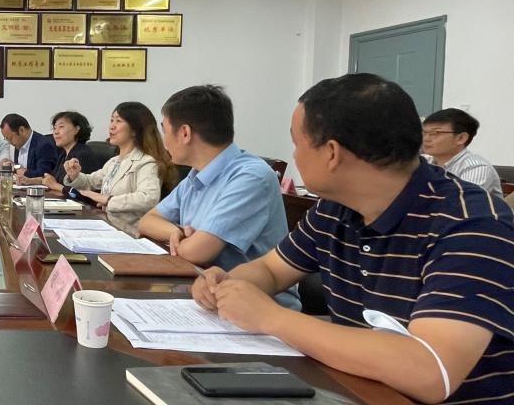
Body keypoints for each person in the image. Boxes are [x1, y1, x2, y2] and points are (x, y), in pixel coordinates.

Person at [192, 74, 514, 404]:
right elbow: (272, 270)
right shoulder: (336, 207)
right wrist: (227, 285)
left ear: (332, 153)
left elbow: (431, 371)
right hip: (357, 389)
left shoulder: (471, 223)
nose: (295, 156)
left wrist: (271, 318)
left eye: (297, 144)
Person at [138, 85, 299, 309]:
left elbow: (197, 252)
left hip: (256, 308)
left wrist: (185, 242)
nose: (164, 142)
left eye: (165, 130)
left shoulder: (251, 176)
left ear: (184, 133)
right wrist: (175, 232)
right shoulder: (196, 175)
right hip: (204, 295)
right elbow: (147, 221)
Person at [61, 102, 165, 236]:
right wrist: (75, 175)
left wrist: (108, 200)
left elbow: (149, 198)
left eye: (118, 121)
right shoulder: (114, 161)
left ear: (135, 130)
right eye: (111, 120)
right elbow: (91, 181)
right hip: (108, 227)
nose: (112, 126)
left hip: (130, 233)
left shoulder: (146, 162)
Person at [422, 108, 502, 197]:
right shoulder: (423, 161)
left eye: (435, 133)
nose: (426, 138)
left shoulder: (476, 168)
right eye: (424, 132)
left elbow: (461, 202)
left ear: (461, 138)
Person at [39, 110, 104, 189]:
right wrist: (29, 180)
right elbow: (52, 179)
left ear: (76, 129)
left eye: (61, 127)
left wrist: (54, 185)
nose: (55, 132)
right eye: (54, 128)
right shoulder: (63, 154)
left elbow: (79, 191)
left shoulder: (82, 154)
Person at [1, 113, 59, 180]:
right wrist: (13, 165)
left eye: (10, 138)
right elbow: (20, 169)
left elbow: (44, 174)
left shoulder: (43, 145)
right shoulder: (19, 143)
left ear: (21, 130)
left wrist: (24, 172)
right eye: (7, 139)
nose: (9, 142)